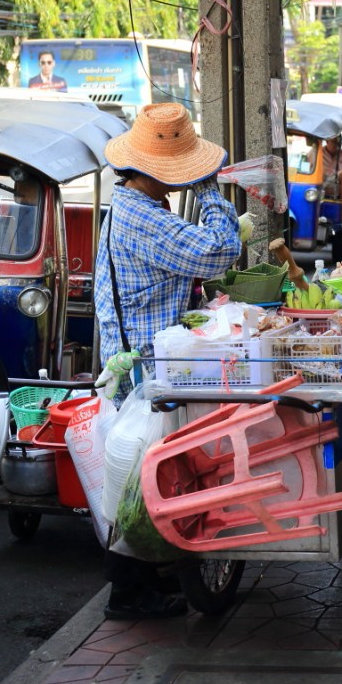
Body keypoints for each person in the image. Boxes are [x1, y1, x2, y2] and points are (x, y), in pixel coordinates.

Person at [93, 102, 241, 620]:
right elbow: (222, 250)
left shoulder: (131, 209)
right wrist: (208, 190)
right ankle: (129, 593)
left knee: (145, 477)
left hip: (140, 364)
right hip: (147, 373)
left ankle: (147, 578)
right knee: (143, 482)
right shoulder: (143, 219)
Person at [319, 134, 342, 209]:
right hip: (320, 182)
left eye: (339, 142)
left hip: (337, 183)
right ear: (327, 141)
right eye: (334, 142)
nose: (337, 145)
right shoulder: (319, 151)